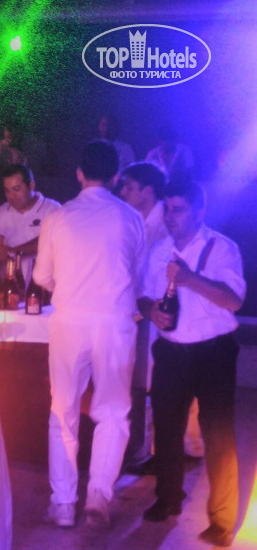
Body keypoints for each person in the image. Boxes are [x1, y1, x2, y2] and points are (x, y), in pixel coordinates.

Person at [33, 140, 145, 529]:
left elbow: (41, 276)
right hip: (116, 322)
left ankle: (64, 503)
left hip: (70, 321)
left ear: (79, 173)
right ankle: (99, 492)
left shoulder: (58, 217)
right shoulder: (131, 217)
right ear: (116, 176)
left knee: (62, 411)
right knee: (113, 412)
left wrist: (68, 283)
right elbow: (137, 275)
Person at [138, 181, 244, 547]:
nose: (170, 217)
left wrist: (189, 279)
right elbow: (143, 296)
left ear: (200, 212)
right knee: (167, 430)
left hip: (213, 354)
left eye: (178, 210)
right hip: (170, 351)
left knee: (218, 437)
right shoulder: (159, 249)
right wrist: (151, 310)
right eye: (167, 210)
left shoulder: (222, 248)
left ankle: (222, 520)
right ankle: (167, 498)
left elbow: (233, 300)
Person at [119, 162, 203, 474]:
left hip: (172, 312)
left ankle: (184, 448)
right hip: (145, 309)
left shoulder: (166, 226)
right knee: (149, 382)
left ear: (147, 191)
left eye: (129, 187)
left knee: (171, 380)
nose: (123, 192)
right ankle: (155, 450)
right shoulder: (135, 220)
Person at [0, 163, 60, 285]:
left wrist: (12, 253)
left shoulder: (53, 209)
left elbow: (50, 241)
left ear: (31, 186)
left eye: (17, 189)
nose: (12, 196)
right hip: (9, 287)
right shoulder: (1, 211)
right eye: (7, 191)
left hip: (44, 288)